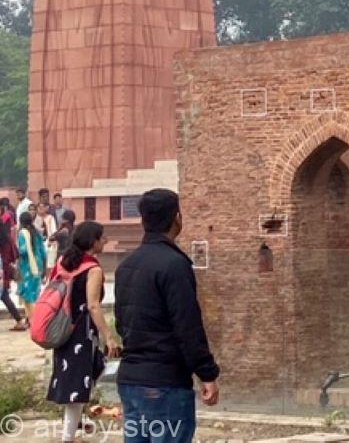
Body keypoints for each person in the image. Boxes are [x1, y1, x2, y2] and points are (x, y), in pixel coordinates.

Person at [115, 188, 220, 443]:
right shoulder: (174, 264)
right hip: (165, 383)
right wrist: (207, 373)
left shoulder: (126, 266)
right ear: (177, 218)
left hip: (130, 380)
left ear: (143, 221)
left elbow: (122, 324)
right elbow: (188, 326)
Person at [47, 221, 121, 443]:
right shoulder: (93, 268)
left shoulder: (63, 262)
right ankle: (68, 437)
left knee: (77, 378)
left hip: (63, 329)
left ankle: (75, 425)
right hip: (82, 331)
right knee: (79, 383)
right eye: (102, 237)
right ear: (93, 241)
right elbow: (93, 305)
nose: (105, 241)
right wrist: (108, 335)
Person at [16, 211, 46, 320]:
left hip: (27, 267)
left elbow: (23, 251)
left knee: (27, 296)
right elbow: (43, 251)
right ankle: (31, 319)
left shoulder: (23, 233)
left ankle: (34, 320)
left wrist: (16, 252)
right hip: (38, 265)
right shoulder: (36, 232)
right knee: (34, 294)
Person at [0, 218, 25, 331]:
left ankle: (19, 320)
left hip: (2, 270)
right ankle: (19, 320)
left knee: (4, 296)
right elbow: (15, 254)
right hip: (5, 271)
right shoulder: (8, 239)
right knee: (4, 295)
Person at [37, 203, 58, 270]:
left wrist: (50, 241)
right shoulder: (36, 218)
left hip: (49, 243)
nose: (41, 209)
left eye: (42, 207)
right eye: (39, 207)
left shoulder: (50, 218)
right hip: (39, 243)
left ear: (47, 208)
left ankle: (48, 279)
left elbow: (54, 231)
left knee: (49, 264)